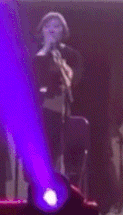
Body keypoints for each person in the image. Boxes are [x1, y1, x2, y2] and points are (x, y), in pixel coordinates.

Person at [32, 11, 82, 172]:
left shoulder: (71, 55)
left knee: (59, 157)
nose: (52, 30)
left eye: (56, 26)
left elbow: (74, 80)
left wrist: (62, 65)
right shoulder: (34, 54)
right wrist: (46, 49)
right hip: (38, 114)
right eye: (47, 26)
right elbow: (32, 78)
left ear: (63, 31)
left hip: (61, 113)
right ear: (42, 30)